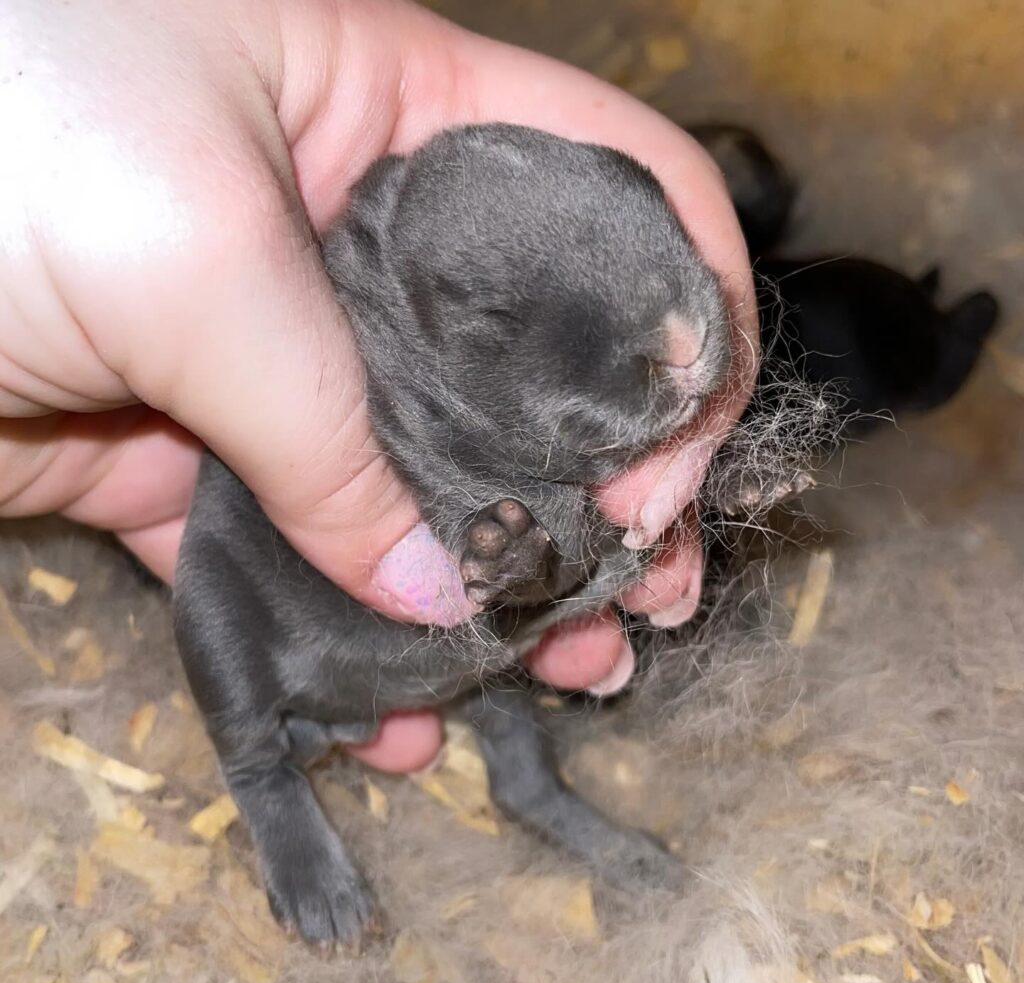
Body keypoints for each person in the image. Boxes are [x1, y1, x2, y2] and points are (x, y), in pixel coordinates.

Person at [0, 0, 757, 773]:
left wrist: (712, 472)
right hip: (308, 641)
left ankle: (535, 792)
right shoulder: (375, 370)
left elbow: (579, 553)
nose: (686, 341)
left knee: (575, 616)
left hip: (480, 650)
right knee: (218, 606)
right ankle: (261, 781)